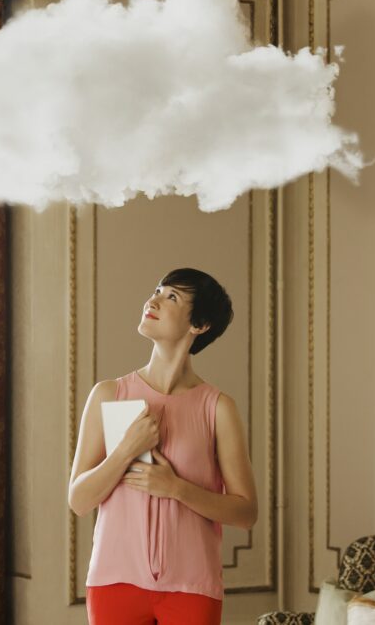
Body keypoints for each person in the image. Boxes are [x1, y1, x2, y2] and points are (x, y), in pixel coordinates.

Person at [68, 267, 257, 625]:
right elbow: (78, 500)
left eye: (171, 296)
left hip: (192, 586)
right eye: (157, 290)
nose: (152, 300)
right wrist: (125, 451)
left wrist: (176, 488)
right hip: (114, 582)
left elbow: (246, 513)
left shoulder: (218, 408)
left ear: (198, 324)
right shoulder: (108, 394)